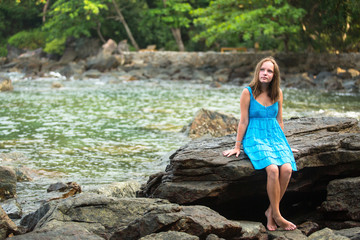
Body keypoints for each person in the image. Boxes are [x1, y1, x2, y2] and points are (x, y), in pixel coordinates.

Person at [222, 56, 297, 231]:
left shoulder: (278, 93)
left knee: (286, 168)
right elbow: (243, 120)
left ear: (274, 75)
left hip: (275, 137)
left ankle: (271, 211)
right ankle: (278, 216)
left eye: (269, 71)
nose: (265, 73)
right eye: (262, 70)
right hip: (254, 136)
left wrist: (284, 144)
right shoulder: (248, 92)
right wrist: (237, 146)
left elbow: (279, 120)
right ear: (258, 72)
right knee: (272, 169)